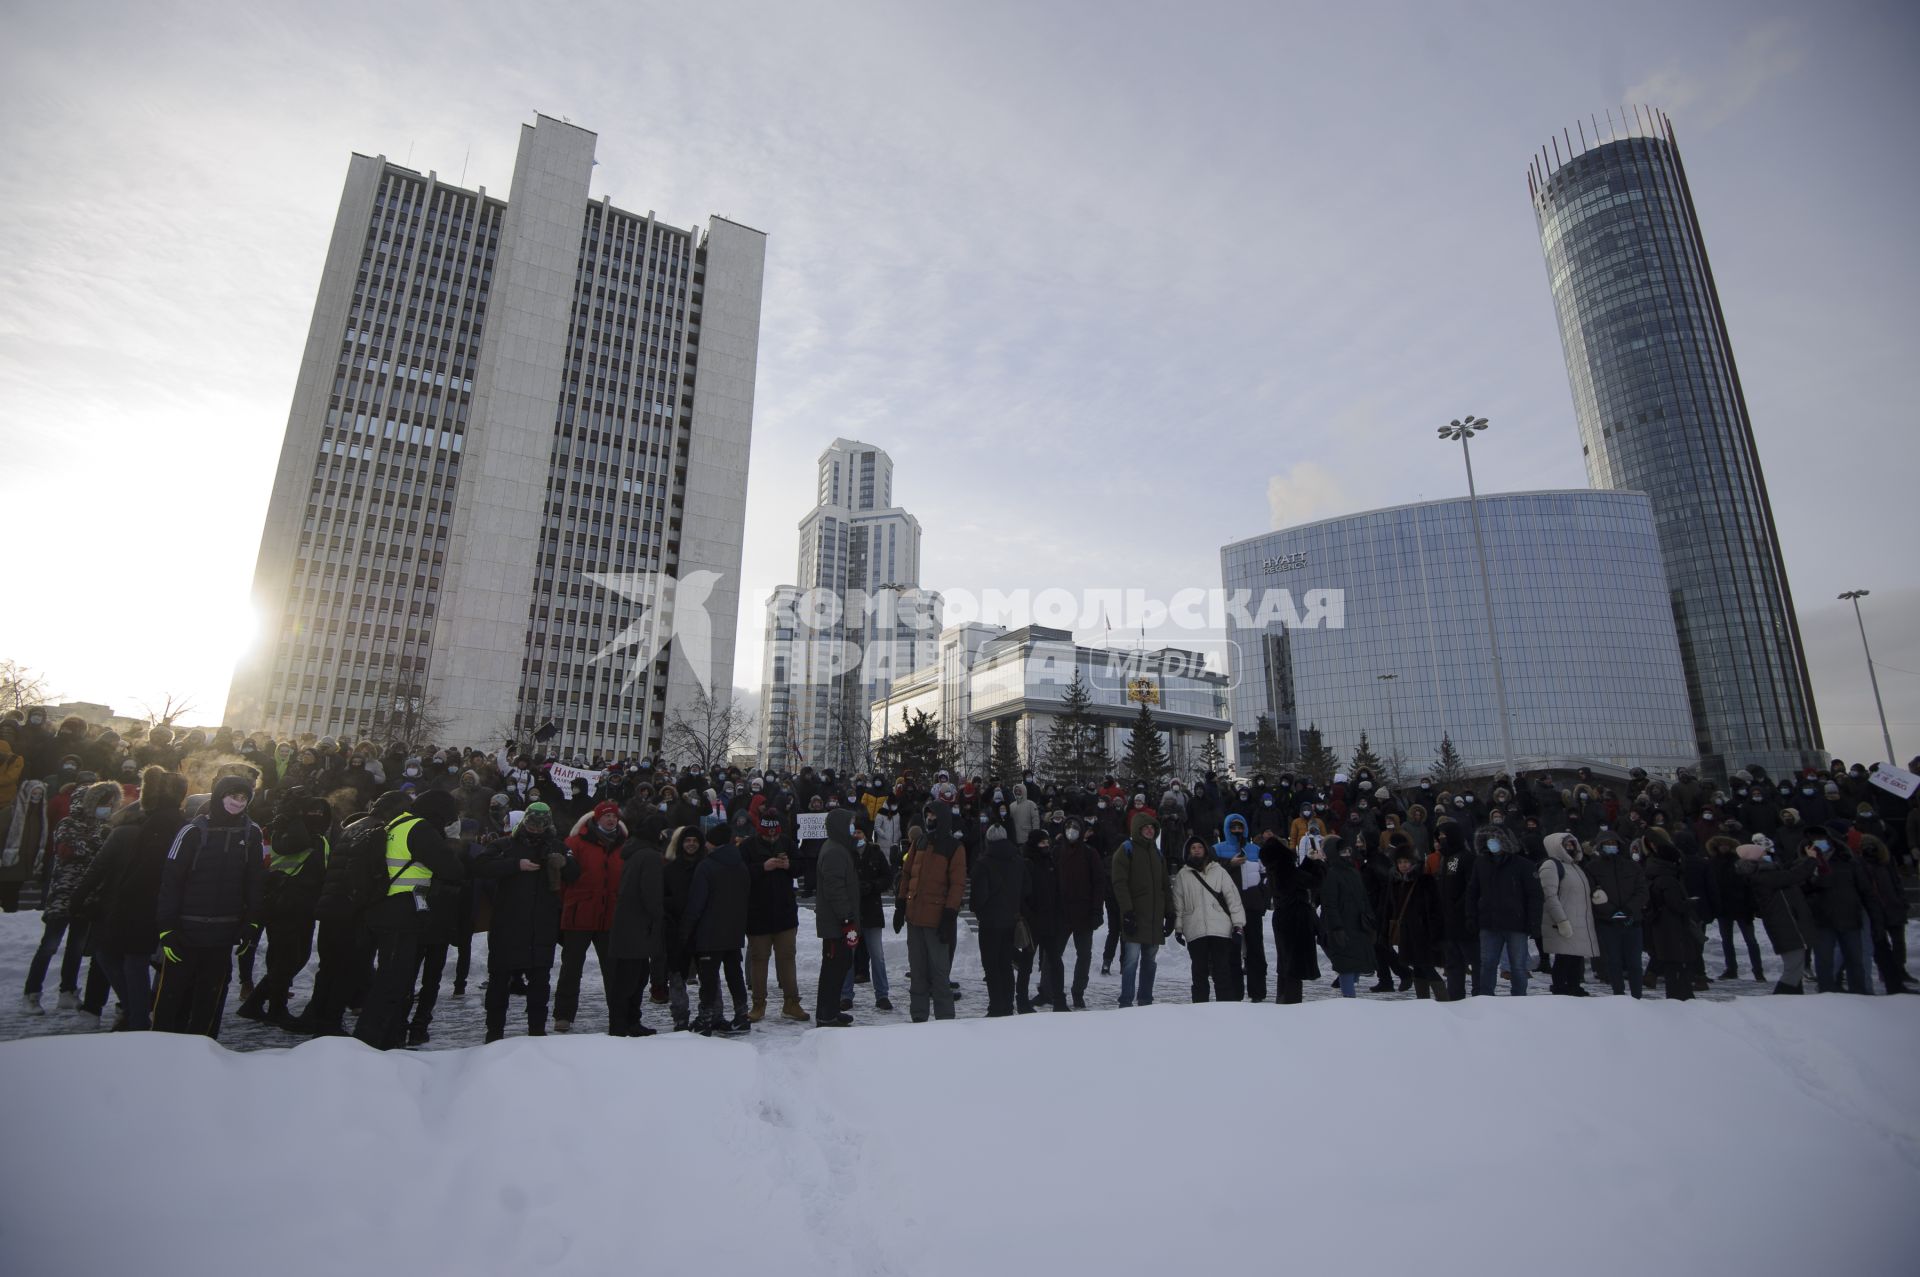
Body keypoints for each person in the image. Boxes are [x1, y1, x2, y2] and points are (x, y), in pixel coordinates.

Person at [69, 767, 188, 1030]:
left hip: (133, 904)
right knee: (128, 960)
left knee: (117, 958)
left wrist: (77, 900)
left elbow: (99, 869)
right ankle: (137, 1011)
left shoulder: (143, 828)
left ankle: (136, 1016)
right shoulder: (176, 824)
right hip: (149, 905)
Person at [153, 775, 266, 1038]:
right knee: (171, 999)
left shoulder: (251, 833)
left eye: (243, 798)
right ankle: (159, 1047)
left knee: (210, 1000)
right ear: (219, 796)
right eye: (232, 796)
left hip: (223, 933)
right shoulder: (192, 831)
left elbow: (255, 882)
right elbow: (171, 882)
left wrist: (252, 921)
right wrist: (166, 928)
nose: (237, 803)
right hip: (185, 931)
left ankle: (203, 1051)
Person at [353, 788, 463, 1049]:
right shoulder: (420, 829)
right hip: (401, 911)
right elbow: (452, 869)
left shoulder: (397, 824)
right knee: (392, 980)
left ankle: (387, 1035)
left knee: (393, 977)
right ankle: (368, 1040)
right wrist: (450, 843)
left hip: (382, 907)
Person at [469, 802, 576, 1041]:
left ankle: (537, 1032)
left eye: (541, 824)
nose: (536, 829)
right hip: (508, 925)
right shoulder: (504, 845)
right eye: (532, 823)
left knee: (540, 984)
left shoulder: (556, 846)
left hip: (542, 926)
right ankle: (494, 1033)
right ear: (524, 822)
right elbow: (481, 866)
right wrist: (515, 866)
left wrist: (563, 863)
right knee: (499, 982)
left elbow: (575, 873)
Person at [23, 780, 121, 1015]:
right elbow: (70, 849)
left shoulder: (106, 828)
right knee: (50, 945)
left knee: (76, 947)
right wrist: (96, 847)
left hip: (87, 900)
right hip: (63, 896)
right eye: (102, 803)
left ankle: (67, 991)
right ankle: (31, 993)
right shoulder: (68, 824)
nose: (106, 807)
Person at [236, 792, 332, 1027]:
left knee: (298, 957)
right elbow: (296, 844)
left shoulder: (319, 836)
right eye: (312, 811)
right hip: (285, 904)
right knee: (286, 958)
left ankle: (255, 1003)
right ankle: (276, 1008)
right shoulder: (286, 830)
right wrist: (293, 814)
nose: (317, 816)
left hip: (306, 905)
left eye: (321, 812)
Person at [554, 801, 628, 1033]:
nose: (611, 820)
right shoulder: (575, 843)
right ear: (596, 819)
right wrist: (570, 905)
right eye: (606, 816)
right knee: (571, 968)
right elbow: (564, 881)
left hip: (611, 916)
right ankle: (563, 1015)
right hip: (580, 914)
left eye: (614, 817)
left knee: (614, 971)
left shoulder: (624, 845)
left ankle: (618, 1016)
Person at [682, 825, 751, 1035]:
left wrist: (686, 929)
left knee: (709, 977)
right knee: (734, 973)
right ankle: (742, 1015)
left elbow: (696, 903)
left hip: (709, 932)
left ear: (713, 843)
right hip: (734, 930)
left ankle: (705, 1018)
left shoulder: (707, 866)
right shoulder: (741, 865)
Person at [897, 812, 966, 1022]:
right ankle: (919, 1018)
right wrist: (901, 905)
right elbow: (907, 873)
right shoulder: (919, 842)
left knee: (939, 974)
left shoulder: (954, 846)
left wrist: (949, 913)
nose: (930, 819)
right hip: (914, 917)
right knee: (917, 973)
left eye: (935, 815)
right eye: (928, 815)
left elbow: (957, 884)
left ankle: (944, 1020)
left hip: (937, 920)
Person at [744, 804, 807, 1023]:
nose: (772, 837)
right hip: (758, 913)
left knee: (787, 959)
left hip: (784, 913)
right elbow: (741, 874)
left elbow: (801, 867)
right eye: (768, 833)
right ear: (761, 831)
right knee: (759, 960)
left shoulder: (787, 843)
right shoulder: (748, 846)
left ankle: (792, 1002)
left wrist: (789, 865)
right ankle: (758, 1004)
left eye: (775, 832)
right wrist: (763, 867)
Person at [1464, 824, 1542, 996]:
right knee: (1487, 964)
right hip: (1488, 923)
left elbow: (1535, 896)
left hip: (1517, 923)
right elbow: (1472, 892)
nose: (1492, 843)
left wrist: (1534, 922)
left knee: (1518, 966)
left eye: (1496, 839)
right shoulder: (1481, 863)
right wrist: (1471, 916)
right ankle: (1486, 998)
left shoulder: (1523, 865)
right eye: (1489, 840)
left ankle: (1519, 998)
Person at [606, 824, 665, 1036]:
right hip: (639, 926)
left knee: (632, 976)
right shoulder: (650, 857)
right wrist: (659, 916)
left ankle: (627, 1022)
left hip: (627, 925)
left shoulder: (633, 853)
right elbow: (651, 893)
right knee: (632, 979)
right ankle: (623, 1024)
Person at [1734, 840, 1815, 994]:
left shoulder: (1765, 873)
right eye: (1763, 854)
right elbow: (1793, 875)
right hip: (1785, 924)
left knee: (1795, 968)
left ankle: (1795, 999)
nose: (1767, 855)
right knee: (1793, 968)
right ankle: (1780, 1000)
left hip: (1787, 922)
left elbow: (1788, 872)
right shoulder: (1763, 876)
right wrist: (1811, 860)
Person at [1173, 834, 1246, 1002]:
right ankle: (1200, 1009)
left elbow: (1233, 899)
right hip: (1195, 929)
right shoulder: (1182, 875)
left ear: (1206, 850)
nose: (1197, 850)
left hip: (1220, 929)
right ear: (1188, 852)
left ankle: (1225, 1007)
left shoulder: (1219, 871)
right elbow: (1178, 904)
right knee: (1199, 973)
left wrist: (1238, 925)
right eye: (1193, 848)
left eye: (1200, 847)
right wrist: (1178, 928)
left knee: (1222, 972)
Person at [1110, 817, 1172, 1008]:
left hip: (1154, 919)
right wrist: (1127, 911)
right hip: (1135, 916)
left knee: (1150, 961)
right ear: (1137, 829)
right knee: (1131, 961)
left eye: (1152, 828)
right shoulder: (1126, 850)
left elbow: (1165, 886)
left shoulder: (1158, 854)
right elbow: (1119, 883)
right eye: (1145, 828)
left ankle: (1145, 999)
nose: (1149, 831)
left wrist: (1170, 913)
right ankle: (1126, 1000)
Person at [1804, 824, 1874, 995]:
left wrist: (1875, 916)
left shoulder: (1848, 860)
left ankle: (1860, 993)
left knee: (1855, 959)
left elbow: (1865, 890)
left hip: (1849, 916)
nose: (1819, 842)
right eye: (1814, 839)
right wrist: (1811, 865)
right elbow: (1803, 888)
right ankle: (1827, 993)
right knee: (1824, 960)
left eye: (1822, 838)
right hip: (1822, 919)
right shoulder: (1806, 862)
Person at [970, 821, 1025, 1017]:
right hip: (1010, 919)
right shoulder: (1018, 860)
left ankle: (996, 1007)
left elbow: (978, 896)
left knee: (991, 966)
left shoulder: (983, 863)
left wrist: (977, 909)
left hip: (990, 922)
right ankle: (1008, 1006)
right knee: (1006, 964)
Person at [812, 809, 862, 1026]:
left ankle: (830, 1010)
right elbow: (835, 889)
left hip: (839, 922)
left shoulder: (839, 848)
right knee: (834, 968)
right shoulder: (834, 852)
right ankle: (826, 1014)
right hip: (836, 924)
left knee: (840, 965)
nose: (853, 827)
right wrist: (846, 919)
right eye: (850, 823)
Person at [842, 821, 895, 1012]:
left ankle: (882, 995)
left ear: (866, 835)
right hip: (852, 914)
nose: (856, 835)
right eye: (854, 832)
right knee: (849, 956)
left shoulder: (876, 853)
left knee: (877, 956)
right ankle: (846, 995)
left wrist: (872, 886)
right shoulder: (846, 853)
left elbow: (887, 877)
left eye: (859, 832)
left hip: (871, 912)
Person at [1053, 819, 1105, 1009]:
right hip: (1061, 913)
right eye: (1068, 827)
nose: (1071, 831)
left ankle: (1078, 991)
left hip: (1084, 913)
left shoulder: (1090, 854)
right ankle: (1052, 990)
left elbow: (1099, 883)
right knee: (1054, 953)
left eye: (1075, 828)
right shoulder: (1057, 851)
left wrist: (1097, 910)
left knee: (1084, 955)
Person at [1538, 832, 1597, 996]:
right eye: (1567, 845)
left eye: (1572, 844)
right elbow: (1549, 895)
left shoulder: (1575, 867)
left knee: (1575, 957)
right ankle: (1561, 986)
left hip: (1577, 919)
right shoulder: (1552, 866)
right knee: (1564, 957)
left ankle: (1573, 985)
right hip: (1563, 920)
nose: (1571, 848)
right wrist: (1561, 920)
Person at [1385, 837, 1445, 999]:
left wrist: (1434, 932)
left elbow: (1434, 908)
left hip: (1423, 933)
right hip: (1407, 932)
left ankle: (1444, 1001)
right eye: (1400, 862)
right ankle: (1422, 1003)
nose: (1403, 865)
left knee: (1426, 966)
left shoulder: (1424, 880)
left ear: (1413, 862)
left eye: (1406, 861)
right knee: (1418, 967)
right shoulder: (1397, 882)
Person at [1318, 835, 1375, 997]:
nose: (1347, 854)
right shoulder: (1332, 874)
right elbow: (1330, 904)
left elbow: (1363, 897)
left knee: (1355, 963)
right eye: (1342, 851)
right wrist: (1336, 928)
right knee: (1346, 966)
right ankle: (1349, 1001)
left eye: (1347, 851)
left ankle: (1350, 999)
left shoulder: (1353, 871)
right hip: (1341, 926)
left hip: (1358, 924)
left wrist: (1369, 918)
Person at [1016, 829, 1066, 1013]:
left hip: (1050, 921)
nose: (1046, 846)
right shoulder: (1027, 863)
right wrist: (1029, 915)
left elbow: (1056, 889)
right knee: (1026, 964)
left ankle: (1059, 999)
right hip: (1033, 923)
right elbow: (1022, 894)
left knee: (1055, 962)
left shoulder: (1050, 862)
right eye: (1042, 843)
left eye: (1047, 843)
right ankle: (1021, 1001)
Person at [660, 825, 704, 1031]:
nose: (691, 844)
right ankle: (680, 1016)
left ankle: (710, 1012)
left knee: (708, 975)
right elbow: (662, 897)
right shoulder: (669, 869)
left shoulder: (706, 866)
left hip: (703, 928)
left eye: (695, 841)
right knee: (677, 975)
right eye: (688, 841)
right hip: (677, 929)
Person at [1708, 833, 1767, 982]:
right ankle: (1731, 969)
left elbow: (1749, 885)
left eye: (1726, 845)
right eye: (1721, 845)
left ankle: (1758, 971)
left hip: (1742, 906)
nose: (1724, 847)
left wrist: (1752, 906)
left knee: (1750, 940)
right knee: (1727, 940)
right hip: (1724, 907)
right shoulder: (1713, 863)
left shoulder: (1740, 862)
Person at [1643, 839, 1697, 1001]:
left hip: (1660, 926)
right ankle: (1681, 997)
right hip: (1672, 927)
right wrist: (1690, 903)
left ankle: (1675, 995)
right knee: (1677, 965)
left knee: (1670, 965)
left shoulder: (1654, 875)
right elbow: (1675, 905)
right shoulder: (1668, 879)